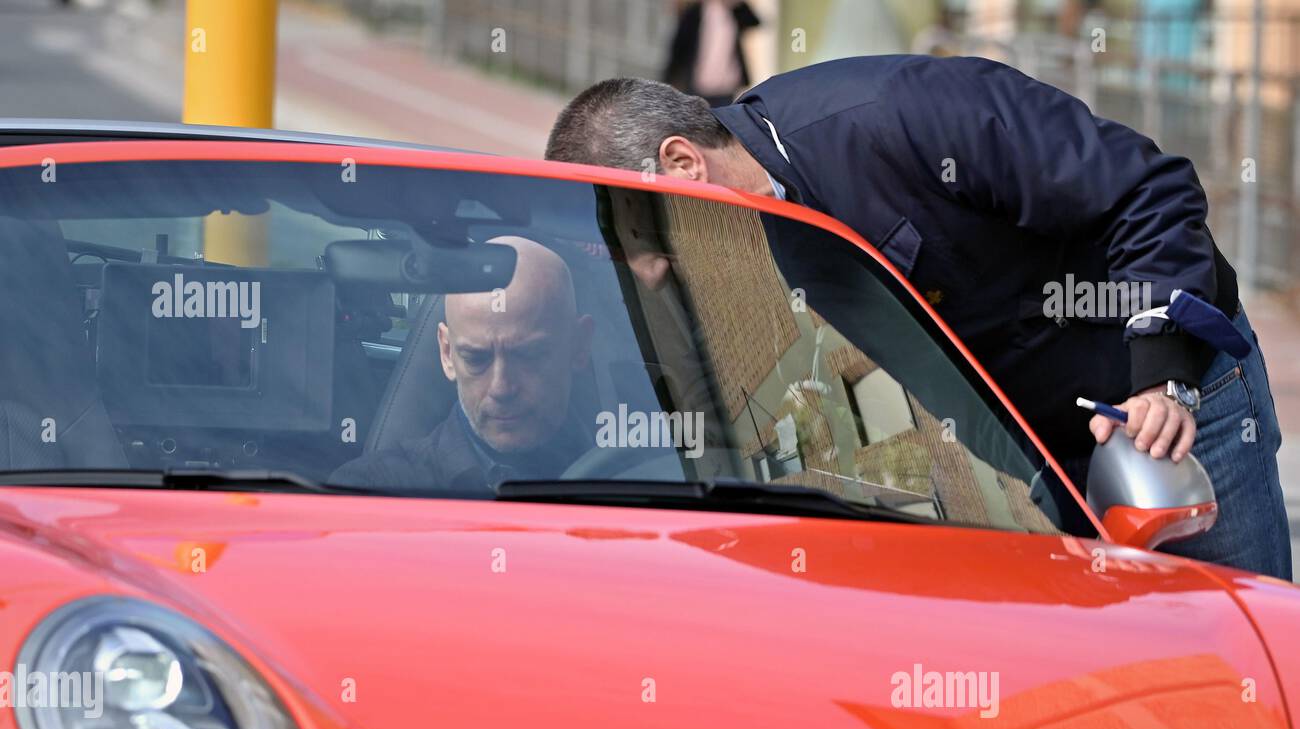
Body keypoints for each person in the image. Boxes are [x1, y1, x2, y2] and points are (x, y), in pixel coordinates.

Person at [543, 57, 1291, 579]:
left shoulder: (902, 112)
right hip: (1043, 469)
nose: (646, 269)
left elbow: (1146, 191)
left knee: (1243, 680)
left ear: (681, 164)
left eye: (640, 235)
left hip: (1178, 414)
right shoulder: (736, 230)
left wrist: (1159, 376)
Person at [331, 236, 595, 492]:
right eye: (476, 358)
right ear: (447, 354)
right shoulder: (370, 492)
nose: (501, 388)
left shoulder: (629, 473)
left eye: (528, 355)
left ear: (579, 345)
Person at [662, 0, 760, 107]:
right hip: (698, 84)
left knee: (721, 120)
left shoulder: (732, 10)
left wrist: (736, 4)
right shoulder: (695, 11)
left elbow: (754, 22)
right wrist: (670, 79)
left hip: (725, 85)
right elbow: (680, 46)